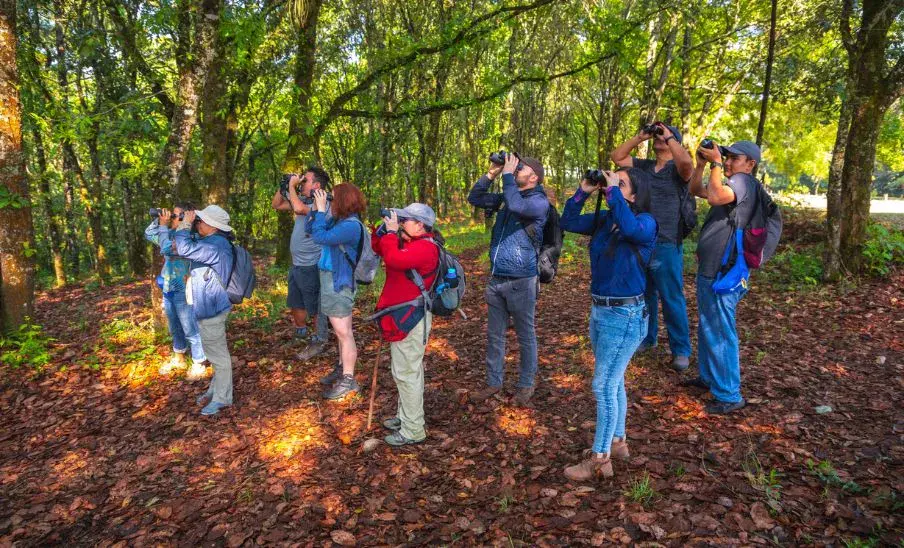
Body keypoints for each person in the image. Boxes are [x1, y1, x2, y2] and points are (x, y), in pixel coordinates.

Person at [560, 168, 657, 481]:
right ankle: (617, 443)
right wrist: (583, 191)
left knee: (603, 386)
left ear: (634, 194)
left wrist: (614, 193)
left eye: (621, 182)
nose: (611, 185)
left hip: (625, 316)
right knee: (613, 382)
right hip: (601, 311)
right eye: (611, 180)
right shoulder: (604, 220)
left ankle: (600, 459)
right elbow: (568, 222)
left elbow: (630, 229)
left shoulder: (645, 223)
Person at [467, 152, 549, 406]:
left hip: (522, 279)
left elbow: (516, 206)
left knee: (525, 335)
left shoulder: (539, 202)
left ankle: (526, 384)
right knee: (494, 335)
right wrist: (492, 172)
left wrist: (506, 177)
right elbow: (475, 197)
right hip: (497, 278)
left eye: (520, 167)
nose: (515, 169)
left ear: (534, 177)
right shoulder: (508, 196)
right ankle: (494, 382)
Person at [685, 140, 761, 415]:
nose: (728, 162)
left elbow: (715, 197)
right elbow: (695, 189)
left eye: (733, 158)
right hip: (710, 270)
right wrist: (703, 163)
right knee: (708, 326)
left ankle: (729, 394)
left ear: (750, 164)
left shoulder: (745, 183)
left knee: (720, 332)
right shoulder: (730, 185)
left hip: (724, 273)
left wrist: (715, 163)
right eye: (726, 157)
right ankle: (709, 378)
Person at [611, 122, 694, 371]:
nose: (659, 137)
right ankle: (648, 338)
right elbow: (617, 157)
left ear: (674, 141)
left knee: (671, 297)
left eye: (665, 135)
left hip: (667, 241)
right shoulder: (644, 166)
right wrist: (640, 136)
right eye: (657, 134)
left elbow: (688, 165)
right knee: (644, 294)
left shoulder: (678, 169)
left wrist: (669, 137)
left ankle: (681, 350)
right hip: (642, 239)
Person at [371, 204, 440, 446]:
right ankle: (406, 417)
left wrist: (391, 234)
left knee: (407, 373)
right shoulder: (409, 242)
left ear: (421, 225)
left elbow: (393, 258)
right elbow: (378, 247)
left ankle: (413, 430)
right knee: (405, 371)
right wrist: (384, 229)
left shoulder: (425, 248)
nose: (401, 223)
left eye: (406, 220)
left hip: (411, 318)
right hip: (401, 315)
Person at [157, 205, 236, 416]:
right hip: (206, 305)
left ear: (213, 226)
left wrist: (183, 225)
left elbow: (184, 248)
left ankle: (222, 398)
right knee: (212, 351)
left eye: (201, 220)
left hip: (212, 307)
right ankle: (215, 390)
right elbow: (172, 248)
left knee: (218, 355)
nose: (198, 223)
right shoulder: (210, 241)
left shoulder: (216, 245)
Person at [311, 183, 368, 400]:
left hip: (338, 282)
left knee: (345, 333)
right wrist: (317, 208)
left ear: (343, 200)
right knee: (340, 332)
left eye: (333, 199)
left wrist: (319, 209)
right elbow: (312, 229)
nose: (330, 201)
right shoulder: (340, 221)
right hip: (331, 280)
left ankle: (348, 379)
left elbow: (320, 237)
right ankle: (342, 367)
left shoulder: (350, 226)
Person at [271, 167, 332, 360]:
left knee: (313, 305)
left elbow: (298, 209)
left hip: (312, 264)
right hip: (297, 263)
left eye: (305, 181)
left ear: (317, 185)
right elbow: (277, 205)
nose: (301, 184)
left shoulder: (324, 205)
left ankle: (319, 339)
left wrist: (291, 186)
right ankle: (301, 333)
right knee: (295, 301)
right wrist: (284, 186)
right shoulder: (304, 200)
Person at [145, 203, 207, 378]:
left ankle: (199, 362)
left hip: (184, 288)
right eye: (172, 215)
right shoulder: (169, 233)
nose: (173, 218)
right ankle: (179, 357)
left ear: (188, 217)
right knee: (174, 326)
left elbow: (167, 248)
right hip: (168, 287)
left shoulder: (192, 237)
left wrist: (167, 227)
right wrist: (159, 221)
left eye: (178, 215)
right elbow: (149, 234)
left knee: (190, 327)